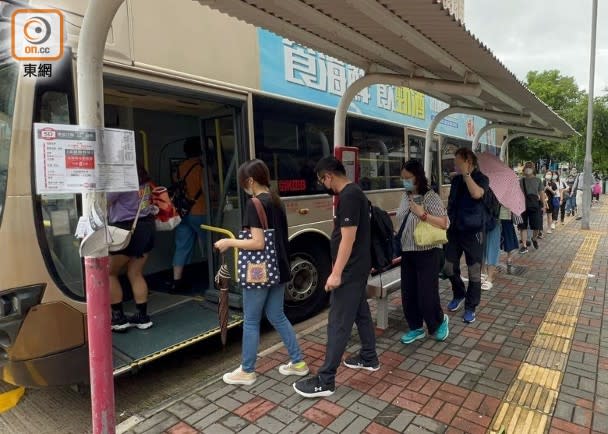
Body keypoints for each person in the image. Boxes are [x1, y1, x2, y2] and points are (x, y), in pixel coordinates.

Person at [214, 159, 308, 386]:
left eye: (243, 183)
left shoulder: (253, 204)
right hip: (279, 267)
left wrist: (229, 242)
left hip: (259, 272)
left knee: (251, 321)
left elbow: (257, 243)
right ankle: (298, 363)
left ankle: (247, 371)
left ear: (250, 181)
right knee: (277, 315)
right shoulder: (276, 200)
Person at [293, 156, 379, 398]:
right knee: (360, 313)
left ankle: (325, 379)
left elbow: (348, 237)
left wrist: (336, 273)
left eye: (322, 180)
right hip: (358, 267)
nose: (323, 184)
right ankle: (369, 357)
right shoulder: (355, 193)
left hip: (350, 270)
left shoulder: (349, 196)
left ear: (329, 175)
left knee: (338, 322)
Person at [396, 159, 449, 344]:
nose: (405, 181)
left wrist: (423, 214)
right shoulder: (405, 196)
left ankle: (439, 322)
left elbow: (444, 223)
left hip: (427, 252)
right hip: (408, 251)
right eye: (402, 178)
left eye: (408, 178)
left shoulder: (430, 196)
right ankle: (416, 327)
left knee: (427, 295)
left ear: (418, 177)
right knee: (409, 294)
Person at [443, 148, 489, 324]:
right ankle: (459, 293)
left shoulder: (481, 179)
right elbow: (451, 203)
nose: (455, 164)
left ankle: (471, 307)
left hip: (474, 232)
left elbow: (476, 194)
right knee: (448, 267)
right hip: (454, 231)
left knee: (474, 272)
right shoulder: (455, 181)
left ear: (469, 162)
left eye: (458, 161)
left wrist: (467, 175)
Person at [108, 166, 156, 331]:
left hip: (125, 230)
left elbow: (104, 202)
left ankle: (118, 318)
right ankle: (142, 317)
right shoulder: (144, 182)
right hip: (147, 228)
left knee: (109, 273)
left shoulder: (121, 181)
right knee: (135, 272)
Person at [172, 137, 209, 291]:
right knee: (210, 244)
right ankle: (215, 277)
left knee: (182, 246)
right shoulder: (201, 168)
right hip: (200, 211)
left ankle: (177, 282)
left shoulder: (180, 168)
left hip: (183, 213)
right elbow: (208, 190)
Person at [518, 162, 545, 253]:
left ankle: (534, 238)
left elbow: (541, 193)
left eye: (530, 167)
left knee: (537, 226)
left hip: (535, 205)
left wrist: (543, 205)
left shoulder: (538, 180)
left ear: (533, 169)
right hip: (523, 205)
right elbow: (517, 194)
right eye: (526, 167)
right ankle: (524, 246)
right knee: (523, 226)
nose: (527, 169)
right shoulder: (521, 181)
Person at [499, 206, 519, 273]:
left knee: (507, 238)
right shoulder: (510, 196)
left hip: (505, 217)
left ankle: (509, 258)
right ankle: (508, 258)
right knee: (507, 237)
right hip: (501, 217)